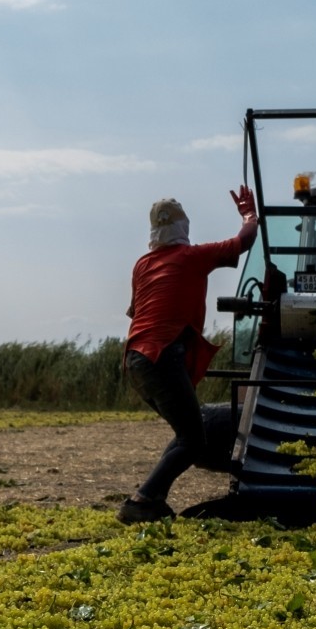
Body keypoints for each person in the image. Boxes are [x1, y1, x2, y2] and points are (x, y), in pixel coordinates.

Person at [119, 186, 258, 524]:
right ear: (184, 229)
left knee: (187, 433)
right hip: (161, 356)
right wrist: (249, 214)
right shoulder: (192, 257)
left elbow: (135, 312)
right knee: (194, 439)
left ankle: (151, 500)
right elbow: (244, 241)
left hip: (135, 359)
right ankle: (141, 500)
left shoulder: (142, 265)